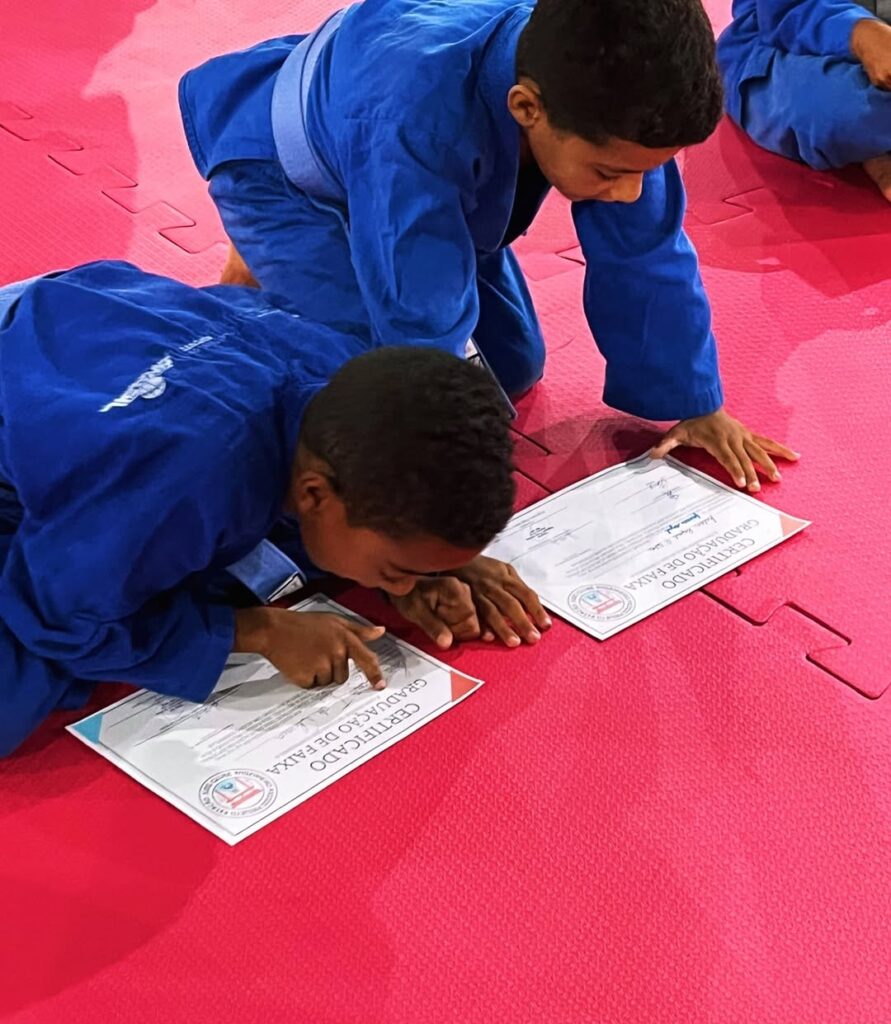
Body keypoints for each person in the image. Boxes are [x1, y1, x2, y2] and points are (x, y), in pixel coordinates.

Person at [180, 0, 799, 495]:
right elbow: (419, 317)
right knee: (366, 385)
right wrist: (438, 507)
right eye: (611, 173)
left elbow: (648, 252)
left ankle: (311, 263)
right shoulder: (417, 116)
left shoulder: (617, 95)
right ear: (526, 107)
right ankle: (253, 292)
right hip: (283, 176)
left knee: (513, 369)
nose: (627, 192)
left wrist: (694, 401)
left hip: (399, 155)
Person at [0, 261, 549, 757]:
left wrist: (432, 564)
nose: (407, 585)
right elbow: (55, 618)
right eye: (399, 569)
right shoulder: (185, 476)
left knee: (282, 548)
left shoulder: (354, 392)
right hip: (46, 374)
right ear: (313, 493)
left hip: (99, 324)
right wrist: (256, 631)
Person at [717, 0, 891, 201]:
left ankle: (876, 139)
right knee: (843, 111)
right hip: (780, 44)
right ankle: (872, 141)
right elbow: (786, 12)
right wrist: (863, 35)